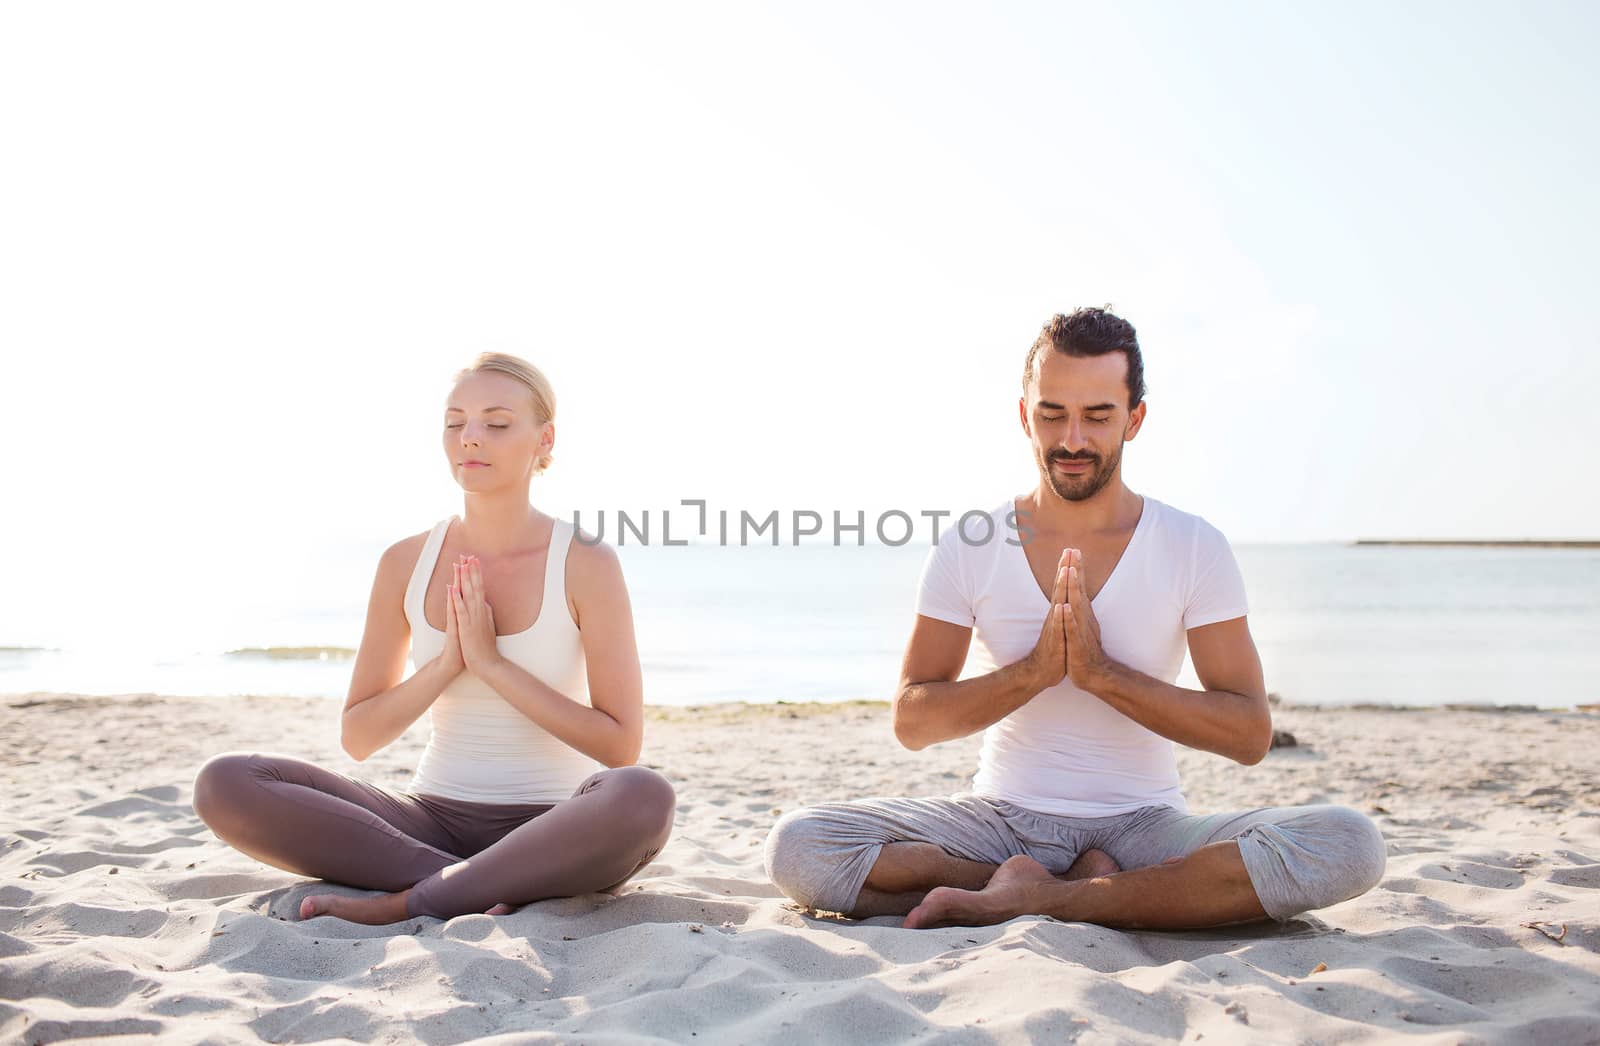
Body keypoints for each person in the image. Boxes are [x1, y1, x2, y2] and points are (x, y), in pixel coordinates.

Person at [764, 307, 1385, 930]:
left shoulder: (1192, 544)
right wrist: (1033, 673)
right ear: (1023, 415)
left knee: (1351, 843)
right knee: (799, 845)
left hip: (1146, 825)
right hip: (999, 822)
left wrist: (1102, 675)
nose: (1072, 440)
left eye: (1097, 415)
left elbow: (1249, 734)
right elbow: (913, 720)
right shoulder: (972, 542)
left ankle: (1036, 898)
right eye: (1052, 414)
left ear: (1134, 418)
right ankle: (1067, 890)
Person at [193, 353, 675, 925]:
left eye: (496, 423)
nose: (471, 438)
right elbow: (360, 735)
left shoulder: (585, 561)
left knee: (643, 795)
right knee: (225, 782)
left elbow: (620, 746)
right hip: (427, 821)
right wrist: (449, 663)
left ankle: (418, 898)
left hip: (557, 826)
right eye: (455, 423)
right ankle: (471, 883)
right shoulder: (405, 562)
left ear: (544, 440)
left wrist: (494, 666)